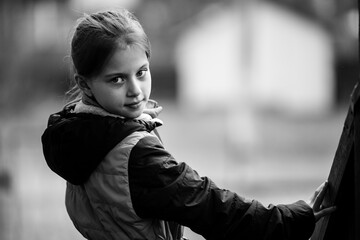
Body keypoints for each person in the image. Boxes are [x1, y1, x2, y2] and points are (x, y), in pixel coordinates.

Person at [41, 8, 336, 240]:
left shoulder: (77, 132)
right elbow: (212, 207)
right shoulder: (133, 155)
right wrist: (293, 218)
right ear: (86, 84)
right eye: (117, 79)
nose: (135, 90)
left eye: (141, 72)